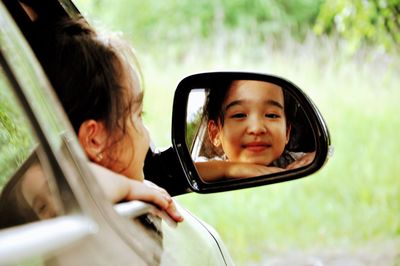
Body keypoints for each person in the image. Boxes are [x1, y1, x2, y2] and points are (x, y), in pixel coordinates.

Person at [33, 17, 183, 223]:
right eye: (139, 116)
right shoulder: (52, 177)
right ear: (95, 140)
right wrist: (129, 188)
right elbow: (69, 183)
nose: (147, 134)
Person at [196, 79, 315, 181]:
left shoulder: (295, 163)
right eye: (239, 115)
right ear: (215, 133)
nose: (257, 128)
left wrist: (315, 158)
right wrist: (229, 169)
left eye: (271, 115)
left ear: (287, 132)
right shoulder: (213, 168)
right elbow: (182, 171)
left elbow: (328, 156)